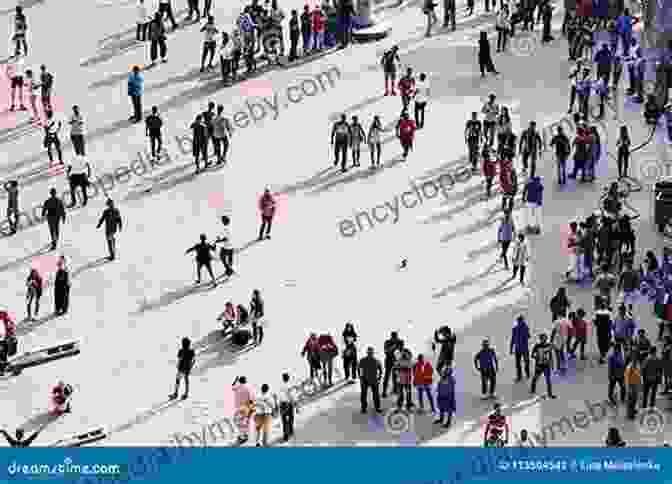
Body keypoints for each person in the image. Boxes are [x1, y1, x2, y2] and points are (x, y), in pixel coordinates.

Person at [530, 333, 556, 398]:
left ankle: (550, 393)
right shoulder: (537, 346)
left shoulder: (549, 345)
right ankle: (532, 389)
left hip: (546, 365)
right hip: (539, 365)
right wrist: (537, 357)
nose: (544, 340)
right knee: (535, 378)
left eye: (545, 338)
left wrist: (552, 365)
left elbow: (550, 356)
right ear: (540, 339)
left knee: (548, 380)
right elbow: (532, 355)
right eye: (542, 338)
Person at [358, 347, 382, 413]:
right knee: (364, 395)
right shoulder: (363, 360)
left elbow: (380, 370)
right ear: (367, 353)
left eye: (371, 353)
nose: (370, 354)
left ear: (373, 353)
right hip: (365, 380)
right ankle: (363, 408)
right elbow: (359, 369)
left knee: (376, 395)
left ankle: (377, 407)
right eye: (369, 353)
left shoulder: (376, 361)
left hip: (374, 380)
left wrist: (379, 378)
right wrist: (361, 377)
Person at [275, 373, 298, 442]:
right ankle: (290, 431)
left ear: (283, 378)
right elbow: (291, 396)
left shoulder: (280, 386)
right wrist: (295, 403)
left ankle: (285, 434)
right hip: (289, 404)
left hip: (282, 404)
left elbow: (278, 396)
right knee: (291, 418)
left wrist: (278, 405)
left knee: (284, 420)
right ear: (288, 378)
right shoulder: (289, 386)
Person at [382, 331, 404, 398]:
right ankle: (384, 391)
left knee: (395, 376)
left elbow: (401, 351)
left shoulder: (400, 342)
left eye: (395, 337)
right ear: (391, 337)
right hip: (389, 361)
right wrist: (393, 347)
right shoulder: (387, 342)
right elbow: (386, 351)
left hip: (396, 361)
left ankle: (395, 389)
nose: (394, 339)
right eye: (393, 337)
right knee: (387, 377)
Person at [511, 315, 530, 381]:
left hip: (518, 348)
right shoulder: (526, 327)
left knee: (518, 364)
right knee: (525, 362)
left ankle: (520, 376)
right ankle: (527, 374)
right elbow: (528, 336)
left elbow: (513, 339)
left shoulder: (515, 328)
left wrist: (511, 348)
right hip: (524, 348)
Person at [593, 298, 613, 364]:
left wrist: (598, 324)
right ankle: (603, 355)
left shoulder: (597, 312)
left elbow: (594, 321)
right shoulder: (609, 313)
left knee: (600, 343)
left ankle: (602, 355)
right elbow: (610, 322)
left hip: (599, 330)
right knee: (606, 343)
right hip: (606, 330)